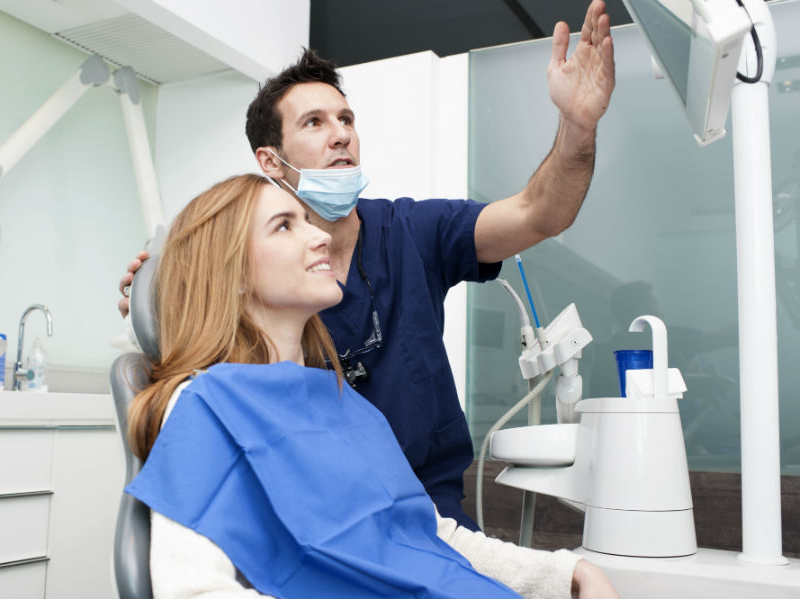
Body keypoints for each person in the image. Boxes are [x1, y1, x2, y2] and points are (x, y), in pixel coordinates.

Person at [120, 0, 616, 531]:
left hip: (429, 514)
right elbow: (191, 334)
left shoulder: (413, 231)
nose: (341, 135)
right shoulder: (250, 267)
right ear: (270, 161)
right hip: (318, 515)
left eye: (346, 119)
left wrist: (577, 126)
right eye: (314, 122)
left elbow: (540, 213)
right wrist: (155, 292)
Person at [125, 173, 619, 598]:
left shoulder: (344, 403)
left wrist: (566, 572)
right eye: (284, 226)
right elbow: (194, 590)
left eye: (306, 220)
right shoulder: (206, 405)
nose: (317, 236)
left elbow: (426, 536)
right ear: (229, 273)